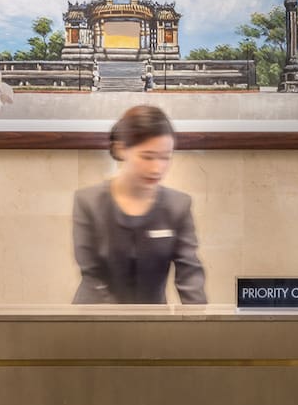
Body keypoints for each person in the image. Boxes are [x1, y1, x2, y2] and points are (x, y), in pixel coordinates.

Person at [72, 105, 206, 304]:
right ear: (122, 149)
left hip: (153, 326)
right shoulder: (88, 202)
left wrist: (201, 327)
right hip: (95, 322)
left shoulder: (178, 205)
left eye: (165, 157)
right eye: (147, 156)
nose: (157, 168)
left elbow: (190, 278)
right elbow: (93, 277)